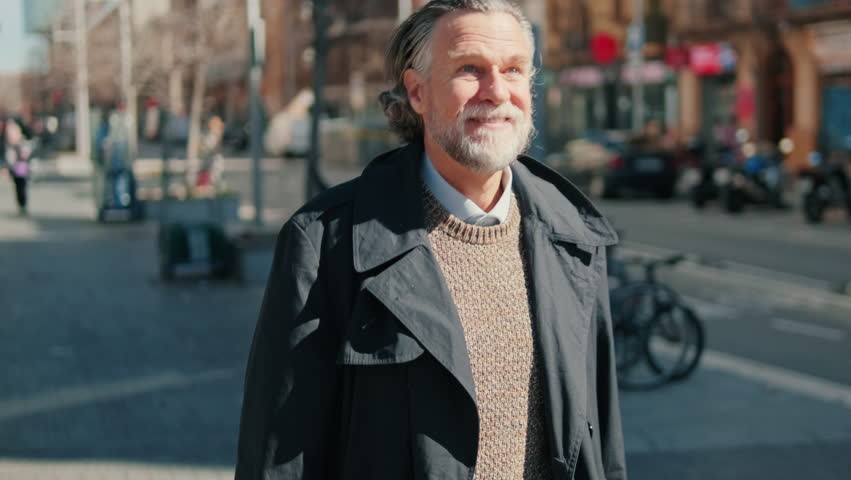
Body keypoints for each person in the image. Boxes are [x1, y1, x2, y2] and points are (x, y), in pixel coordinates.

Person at [235, 1, 626, 479]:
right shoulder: (324, 244)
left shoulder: (574, 237)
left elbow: (601, 445)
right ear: (417, 92)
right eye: (470, 69)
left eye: (514, 70)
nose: (497, 92)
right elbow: (280, 461)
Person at [2, 119, 32, 216]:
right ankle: (21, 204)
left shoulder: (21, 140)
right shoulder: (7, 143)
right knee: (17, 185)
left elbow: (25, 152)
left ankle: (22, 204)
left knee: (21, 185)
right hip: (13, 163)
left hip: (20, 164)